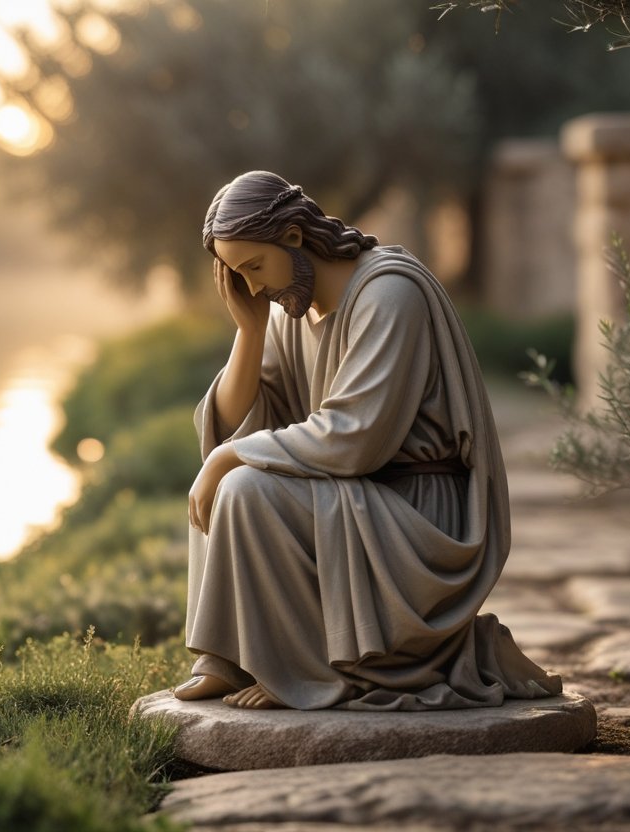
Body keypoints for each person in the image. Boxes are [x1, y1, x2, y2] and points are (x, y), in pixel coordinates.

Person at [175, 170, 563, 711]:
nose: (255, 287)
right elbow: (235, 422)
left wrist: (228, 456)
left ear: (292, 236)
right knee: (220, 484)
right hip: (355, 498)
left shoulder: (389, 293)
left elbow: (357, 437)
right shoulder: (290, 310)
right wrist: (250, 330)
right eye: (240, 276)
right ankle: (236, 658)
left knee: (240, 484)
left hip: (416, 512)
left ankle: (299, 668)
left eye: (255, 268)